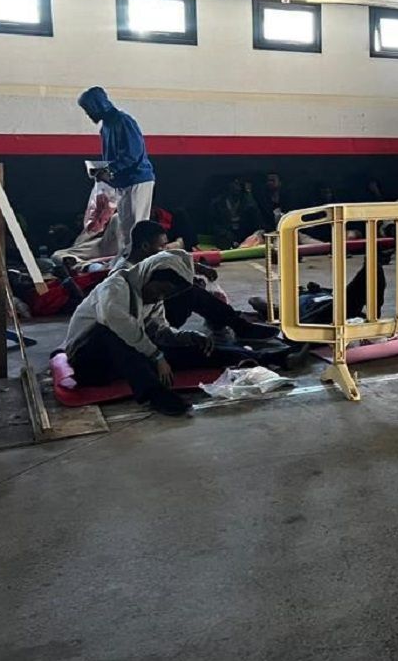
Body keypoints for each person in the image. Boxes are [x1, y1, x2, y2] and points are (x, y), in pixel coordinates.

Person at [61, 251, 219, 416]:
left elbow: (160, 331)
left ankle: (238, 355)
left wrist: (188, 337)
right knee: (112, 331)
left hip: (120, 362)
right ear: (148, 275)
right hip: (88, 364)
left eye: (166, 294)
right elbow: (118, 324)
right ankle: (155, 394)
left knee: (178, 349)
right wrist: (157, 356)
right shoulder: (114, 287)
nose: (160, 296)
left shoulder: (153, 299)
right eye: (160, 289)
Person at [118, 220, 278, 341]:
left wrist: (199, 268)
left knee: (191, 289)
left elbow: (173, 260)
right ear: (145, 246)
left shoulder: (148, 261)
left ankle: (229, 321)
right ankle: (238, 326)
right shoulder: (124, 275)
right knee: (191, 293)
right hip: (145, 325)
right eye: (161, 246)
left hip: (157, 317)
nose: (164, 251)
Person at [77, 87, 155, 258]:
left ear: (98, 105)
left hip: (137, 181)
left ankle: (137, 264)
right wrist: (104, 171)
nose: (88, 114)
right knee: (125, 228)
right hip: (123, 182)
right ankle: (128, 262)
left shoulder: (123, 121)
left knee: (135, 228)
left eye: (89, 109)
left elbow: (133, 154)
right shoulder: (106, 127)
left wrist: (109, 169)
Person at [209, 178, 261, 249]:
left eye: (238, 183)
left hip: (245, 236)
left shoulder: (249, 203)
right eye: (234, 183)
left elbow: (257, 224)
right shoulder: (217, 203)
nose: (236, 187)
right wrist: (229, 237)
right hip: (225, 236)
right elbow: (215, 225)